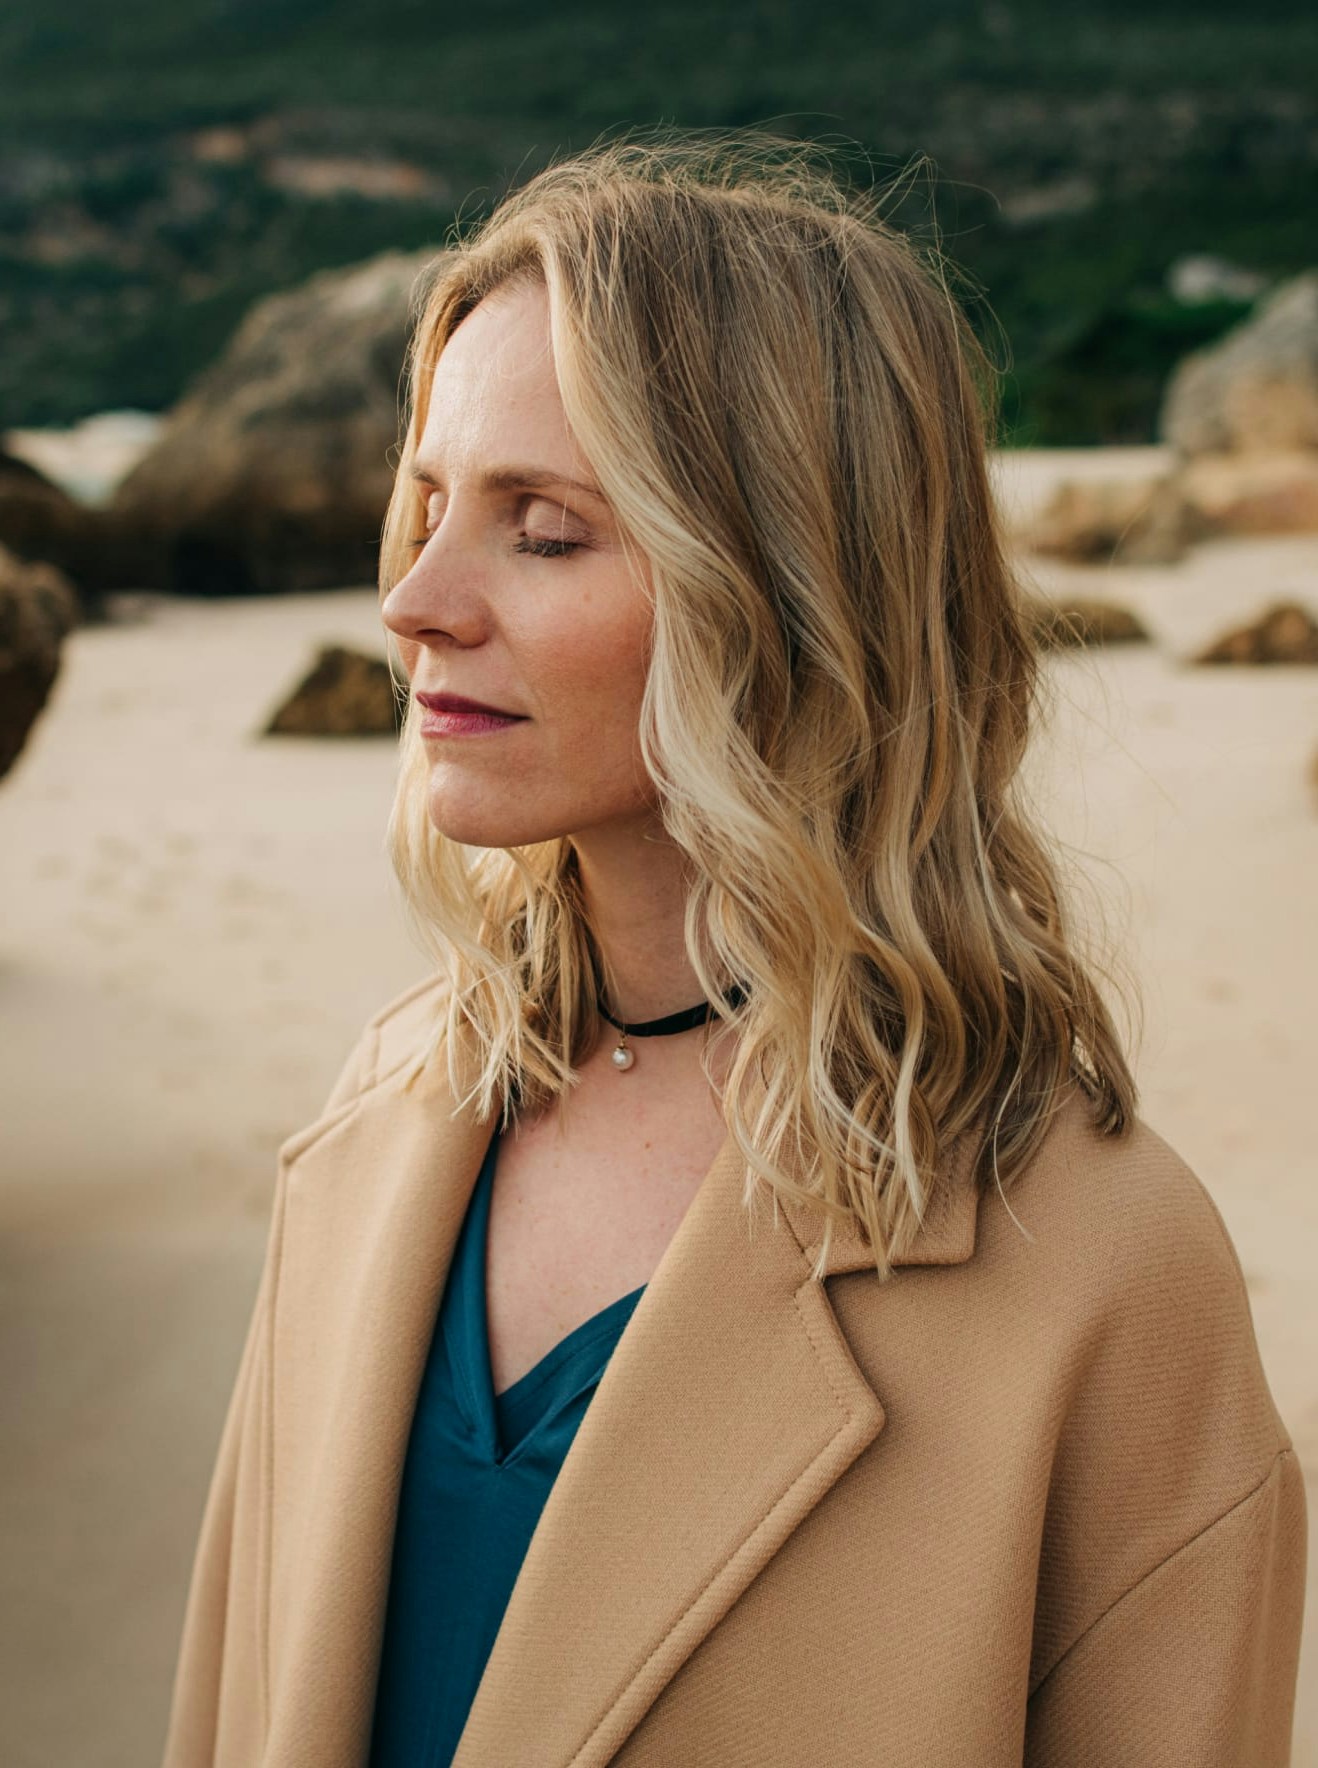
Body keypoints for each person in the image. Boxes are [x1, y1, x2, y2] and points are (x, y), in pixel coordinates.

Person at [160, 135, 1307, 1768]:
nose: (413, 600)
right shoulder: (383, 1115)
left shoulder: (1106, 1275)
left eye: (539, 530)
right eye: (424, 507)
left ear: (788, 582)